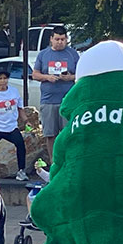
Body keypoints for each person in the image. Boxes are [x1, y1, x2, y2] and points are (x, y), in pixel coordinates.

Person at [33, 27, 79, 158]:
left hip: (68, 101)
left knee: (68, 134)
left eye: (63, 39)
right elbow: (35, 74)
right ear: (51, 39)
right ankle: (54, 163)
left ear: (67, 40)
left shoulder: (73, 54)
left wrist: (69, 77)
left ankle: (67, 161)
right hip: (48, 101)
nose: (60, 42)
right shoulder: (43, 54)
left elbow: (81, 75)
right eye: (57, 39)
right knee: (50, 134)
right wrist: (47, 77)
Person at [0, 70, 26, 180]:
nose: (3, 81)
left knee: (21, 145)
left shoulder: (14, 92)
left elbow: (20, 108)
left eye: (5, 78)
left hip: (11, 127)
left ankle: (21, 171)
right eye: (0, 78)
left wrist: (26, 120)